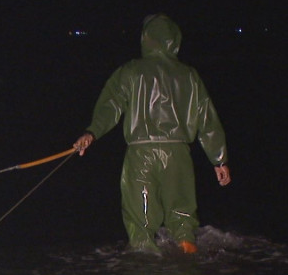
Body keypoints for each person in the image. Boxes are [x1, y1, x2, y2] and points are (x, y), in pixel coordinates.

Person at [73, 14, 231, 255]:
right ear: (174, 40)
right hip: (178, 156)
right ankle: (190, 272)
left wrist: (92, 132)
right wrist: (219, 160)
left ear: (146, 39)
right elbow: (207, 119)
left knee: (140, 227)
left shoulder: (131, 71)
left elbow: (111, 105)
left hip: (141, 156)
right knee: (183, 221)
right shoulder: (189, 75)